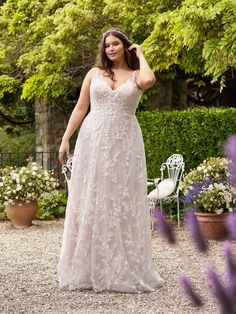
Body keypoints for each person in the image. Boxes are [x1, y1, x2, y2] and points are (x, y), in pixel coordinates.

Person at [58, 28, 164, 293]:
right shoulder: (94, 74)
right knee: (91, 197)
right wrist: (65, 138)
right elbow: (81, 107)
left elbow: (149, 80)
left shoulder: (137, 74)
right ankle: (88, 267)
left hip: (124, 144)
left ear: (125, 46)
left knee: (121, 201)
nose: (111, 49)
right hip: (92, 140)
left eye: (116, 44)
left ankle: (120, 266)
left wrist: (140, 54)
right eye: (107, 46)